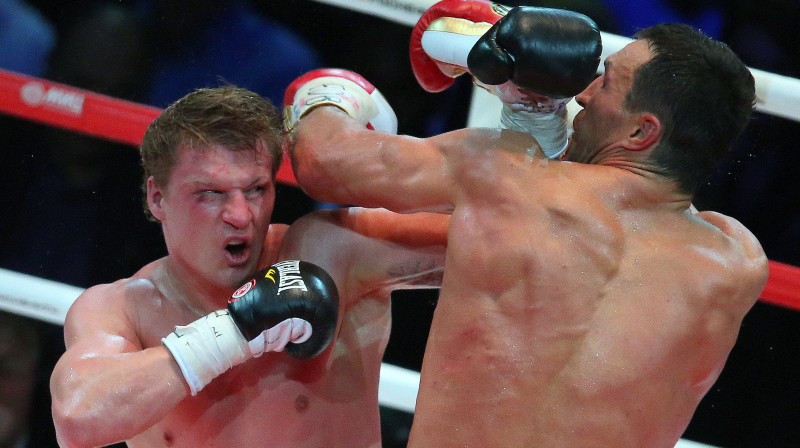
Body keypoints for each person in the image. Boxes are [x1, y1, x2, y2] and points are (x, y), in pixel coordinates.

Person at [284, 2, 770, 446]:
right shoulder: (737, 262)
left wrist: (331, 93)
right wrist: (539, 118)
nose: (582, 95)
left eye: (606, 82)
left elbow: (325, 162)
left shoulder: (506, 175)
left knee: (333, 239)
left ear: (642, 131)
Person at [50, 86, 448, 448]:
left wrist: (509, 107)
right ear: (157, 198)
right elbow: (77, 420)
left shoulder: (334, 252)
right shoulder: (123, 309)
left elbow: (492, 238)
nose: (241, 216)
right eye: (211, 193)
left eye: (257, 189)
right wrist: (234, 330)